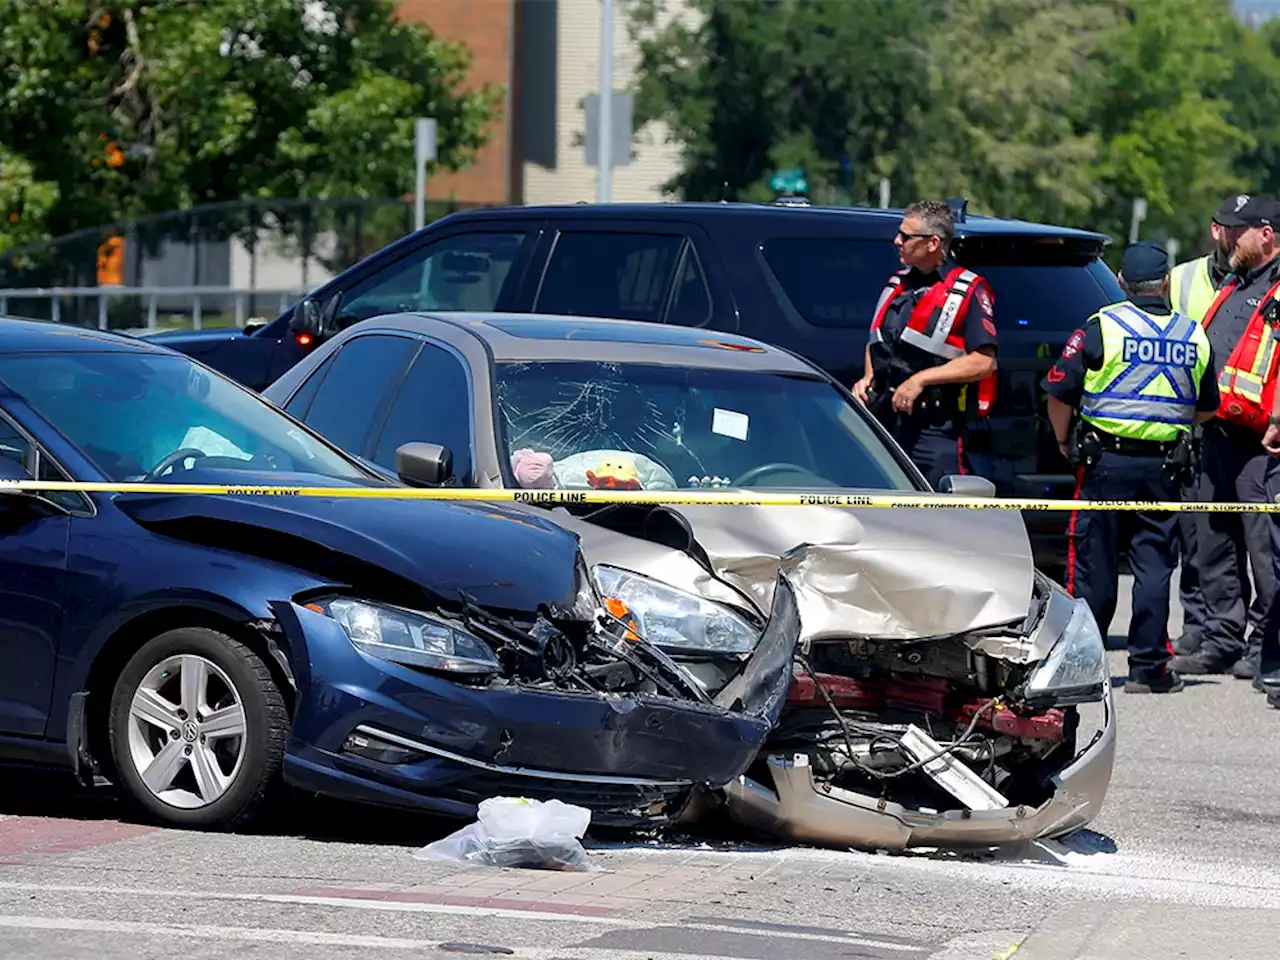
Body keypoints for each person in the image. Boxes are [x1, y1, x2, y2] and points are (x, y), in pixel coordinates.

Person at [1043, 240, 1219, 694]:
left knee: (1093, 564)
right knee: (1155, 566)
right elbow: (1206, 408)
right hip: (1164, 467)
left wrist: (1064, 441)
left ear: (1122, 283)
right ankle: (1149, 667)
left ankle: (1086, 665)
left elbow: (1060, 392)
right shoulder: (1192, 333)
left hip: (1105, 463)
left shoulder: (1102, 325)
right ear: (1164, 285)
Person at [1170, 195, 1280, 679]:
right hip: (1216, 432)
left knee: (1264, 546)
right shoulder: (1234, 284)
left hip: (1263, 442)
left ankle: (1265, 643)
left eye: (1239, 230)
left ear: (1267, 235)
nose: (1228, 238)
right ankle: (1222, 636)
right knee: (1215, 540)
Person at [852, 200, 998, 488]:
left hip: (936, 429)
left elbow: (983, 362)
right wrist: (868, 377)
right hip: (886, 423)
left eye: (906, 236)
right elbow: (879, 342)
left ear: (933, 243)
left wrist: (921, 380)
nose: (897, 241)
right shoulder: (898, 284)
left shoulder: (969, 290)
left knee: (938, 515)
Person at [1167, 199, 1237, 663]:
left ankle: (1245, 633)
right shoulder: (1183, 278)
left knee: (1248, 538)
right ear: (1216, 231)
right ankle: (1199, 625)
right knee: (1197, 535)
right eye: (1233, 229)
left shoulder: (1264, 282)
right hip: (1195, 421)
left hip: (1244, 422)